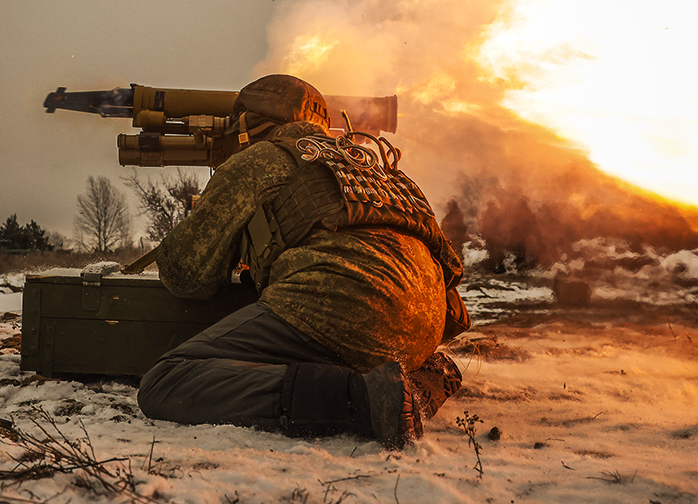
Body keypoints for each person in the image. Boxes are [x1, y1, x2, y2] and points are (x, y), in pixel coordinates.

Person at [136, 75, 470, 448]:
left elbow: (185, 274)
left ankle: (361, 400)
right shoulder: (377, 167)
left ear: (246, 124)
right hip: (422, 330)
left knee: (166, 382)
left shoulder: (262, 159)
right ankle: (422, 379)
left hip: (339, 309)